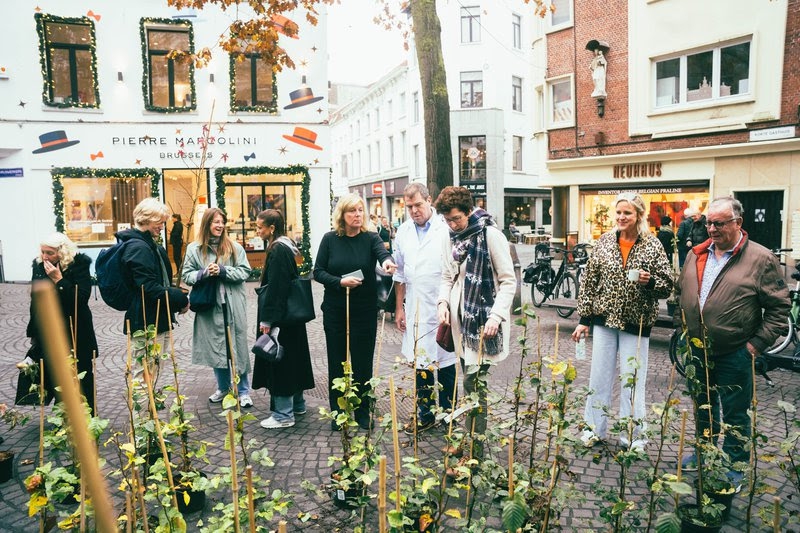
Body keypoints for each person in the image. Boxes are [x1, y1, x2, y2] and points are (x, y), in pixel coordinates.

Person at [675, 196, 790, 488]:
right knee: (704, 406)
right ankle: (704, 453)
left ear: (737, 223)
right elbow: (681, 293)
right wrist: (683, 326)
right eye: (708, 222)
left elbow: (778, 309)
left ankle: (734, 467)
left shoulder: (761, 258)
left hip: (735, 352)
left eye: (719, 223)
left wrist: (754, 345)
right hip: (697, 350)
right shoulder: (697, 253)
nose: (711, 229)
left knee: (736, 415)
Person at [571, 192, 672, 451]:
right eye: (618, 212)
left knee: (633, 380)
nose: (621, 217)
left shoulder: (652, 245)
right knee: (598, 378)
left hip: (636, 323)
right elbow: (589, 282)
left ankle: (634, 437)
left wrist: (650, 282)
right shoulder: (604, 241)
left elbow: (668, 285)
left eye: (627, 213)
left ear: (639, 214)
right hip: (604, 320)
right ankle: (594, 430)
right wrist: (584, 319)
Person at [435, 186, 515, 468]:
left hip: (483, 324)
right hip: (459, 323)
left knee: (473, 384)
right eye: (448, 220)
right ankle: (468, 441)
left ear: (469, 211)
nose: (453, 224)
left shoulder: (490, 235)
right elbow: (447, 275)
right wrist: (443, 302)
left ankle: (476, 450)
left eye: (457, 218)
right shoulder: (449, 237)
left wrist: (496, 317)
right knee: (467, 382)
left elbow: (508, 281)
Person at [313, 193, 397, 430]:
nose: (358, 215)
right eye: (352, 211)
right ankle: (338, 411)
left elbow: (383, 255)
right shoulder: (329, 239)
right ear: (342, 214)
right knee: (337, 361)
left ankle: (362, 411)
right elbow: (318, 271)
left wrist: (388, 263)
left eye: (360, 210)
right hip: (336, 310)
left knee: (362, 363)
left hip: (364, 310)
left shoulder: (371, 238)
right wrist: (340, 282)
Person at [393, 183, 457, 434]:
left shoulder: (445, 229)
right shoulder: (403, 232)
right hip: (416, 306)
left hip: (442, 304)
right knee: (421, 363)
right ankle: (426, 413)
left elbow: (452, 270)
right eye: (409, 207)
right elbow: (399, 273)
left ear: (429, 200)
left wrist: (451, 304)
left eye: (418, 205)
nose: (414, 211)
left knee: (446, 360)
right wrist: (399, 308)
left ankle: (450, 413)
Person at [182, 208, 254, 408]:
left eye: (222, 222)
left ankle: (243, 391)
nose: (220, 225)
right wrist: (203, 273)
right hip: (209, 306)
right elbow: (186, 275)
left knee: (238, 347)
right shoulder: (194, 249)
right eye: (215, 222)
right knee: (217, 347)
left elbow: (245, 272)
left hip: (233, 305)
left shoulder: (234, 247)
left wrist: (223, 270)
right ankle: (224, 388)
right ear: (207, 224)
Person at [252, 209, 315, 429]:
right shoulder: (286, 247)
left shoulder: (277, 250)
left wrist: (268, 320)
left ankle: (283, 414)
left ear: (271, 228)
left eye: (260, 227)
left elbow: (277, 288)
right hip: (291, 318)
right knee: (293, 359)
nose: (257, 231)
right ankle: (297, 404)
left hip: (281, 318)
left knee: (280, 361)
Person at [22, 233, 98, 414]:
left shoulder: (79, 265)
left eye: (50, 253)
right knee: (56, 374)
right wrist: (34, 332)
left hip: (76, 329)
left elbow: (81, 299)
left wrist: (59, 280)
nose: (45, 257)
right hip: (50, 330)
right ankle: (64, 416)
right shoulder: (39, 266)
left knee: (82, 373)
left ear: (62, 252)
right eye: (42, 252)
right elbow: (36, 301)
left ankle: (87, 415)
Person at [118, 198, 189, 335]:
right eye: (160, 222)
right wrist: (180, 299)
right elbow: (148, 286)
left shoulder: (148, 244)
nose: (162, 227)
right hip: (146, 323)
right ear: (146, 219)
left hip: (156, 319)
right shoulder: (139, 248)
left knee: (159, 356)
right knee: (148, 357)